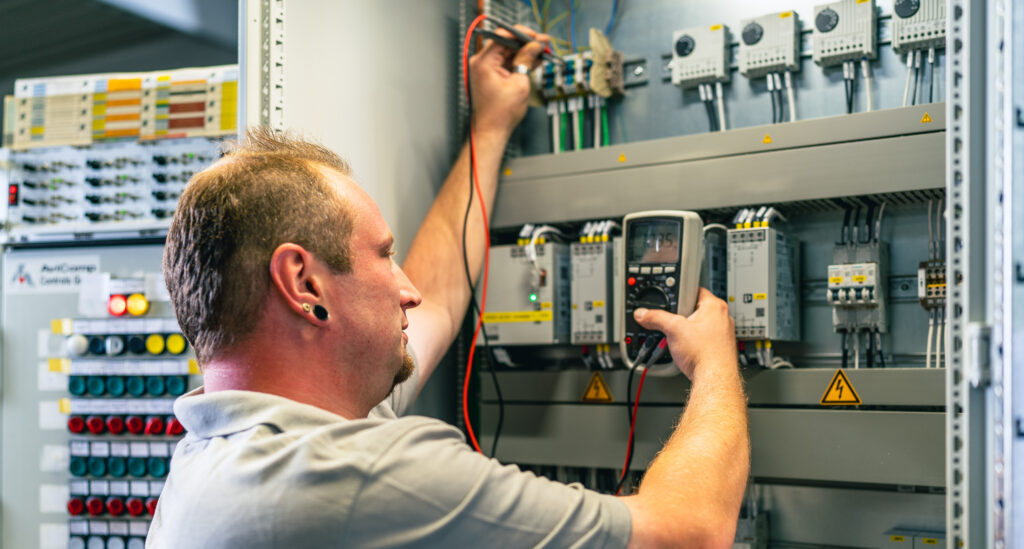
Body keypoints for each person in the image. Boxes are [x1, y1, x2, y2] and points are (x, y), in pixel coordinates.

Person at [148, 25, 748, 549]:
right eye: (384, 255)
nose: (405, 289)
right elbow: (690, 533)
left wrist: (491, 127)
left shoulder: (220, 458)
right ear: (304, 284)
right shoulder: (361, 472)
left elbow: (434, 297)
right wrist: (717, 361)